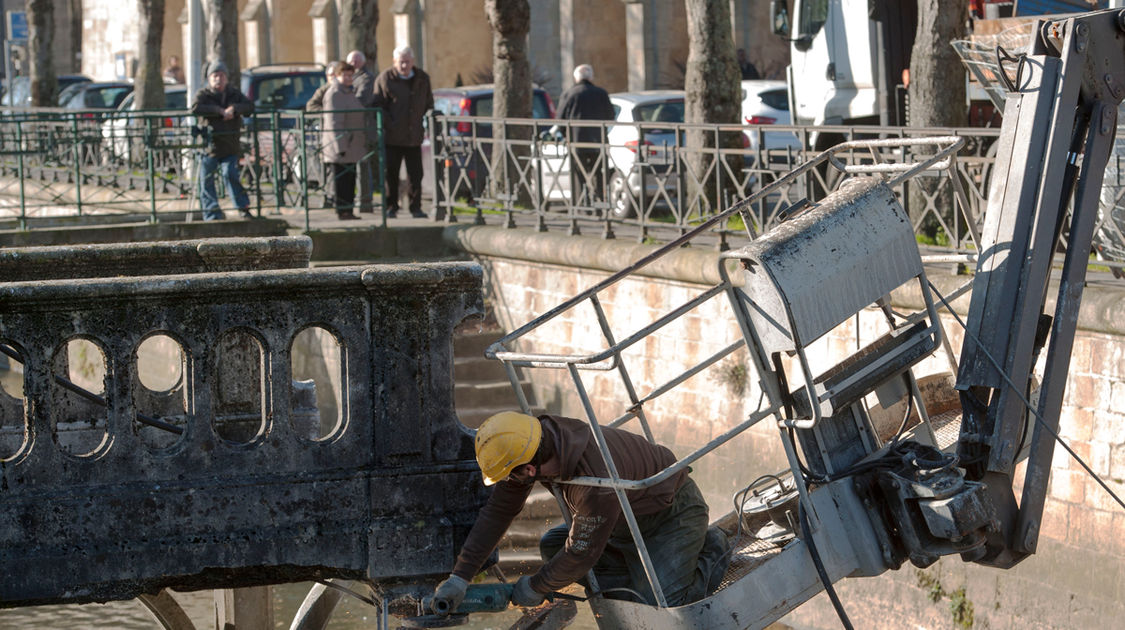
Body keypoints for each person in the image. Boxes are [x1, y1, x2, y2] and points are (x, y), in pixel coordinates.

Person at [431, 411, 730, 613]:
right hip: (621, 524)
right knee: (551, 545)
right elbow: (498, 512)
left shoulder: (594, 482)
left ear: (530, 469)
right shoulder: (535, 440)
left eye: (513, 476)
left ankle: (712, 547)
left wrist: (536, 586)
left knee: (663, 607)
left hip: (670, 517)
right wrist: (461, 575)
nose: (512, 483)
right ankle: (641, 577)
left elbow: (581, 554)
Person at [372, 45, 433, 219]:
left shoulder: (422, 78)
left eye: (407, 62)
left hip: (414, 136)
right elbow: (377, 106)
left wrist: (426, 121)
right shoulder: (385, 78)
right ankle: (391, 206)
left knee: (416, 175)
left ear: (413, 61)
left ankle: (416, 207)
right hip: (392, 136)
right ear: (394, 62)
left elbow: (429, 103)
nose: (404, 66)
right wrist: (389, 123)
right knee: (391, 174)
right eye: (401, 62)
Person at [191, 60, 254, 221]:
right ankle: (212, 213)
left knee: (230, 174)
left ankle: (243, 208)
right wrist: (218, 111)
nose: (218, 79)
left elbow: (249, 106)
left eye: (221, 75)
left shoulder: (234, 94)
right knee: (206, 180)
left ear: (226, 78)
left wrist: (235, 109)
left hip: (230, 145)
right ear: (209, 78)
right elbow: (195, 108)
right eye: (215, 75)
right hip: (209, 146)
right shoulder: (204, 94)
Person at [556, 64, 615, 206]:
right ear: (591, 77)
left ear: (576, 77)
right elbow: (610, 115)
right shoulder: (601, 93)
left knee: (579, 174)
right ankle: (600, 202)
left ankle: (584, 203)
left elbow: (560, 119)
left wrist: (566, 135)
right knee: (599, 174)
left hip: (577, 141)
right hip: (598, 140)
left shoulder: (569, 94)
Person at [321, 61, 365, 221]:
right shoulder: (335, 93)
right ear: (337, 76)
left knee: (350, 179)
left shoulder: (348, 92)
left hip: (352, 144)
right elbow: (334, 122)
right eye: (345, 75)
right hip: (341, 146)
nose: (348, 78)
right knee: (341, 179)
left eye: (350, 75)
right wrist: (340, 146)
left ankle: (349, 210)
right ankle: (342, 211)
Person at [346, 50, 378, 214]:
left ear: (363, 62)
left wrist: (344, 100)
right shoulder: (349, 78)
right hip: (349, 129)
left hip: (363, 129)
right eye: (351, 61)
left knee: (363, 166)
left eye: (356, 61)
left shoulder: (366, 78)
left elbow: (361, 101)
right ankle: (348, 200)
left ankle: (365, 201)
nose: (353, 64)